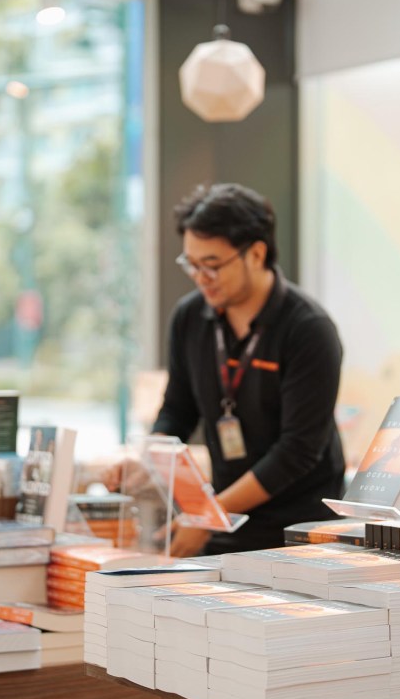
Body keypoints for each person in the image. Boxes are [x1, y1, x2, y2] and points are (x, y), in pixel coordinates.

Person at [127, 183, 345, 556]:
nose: (199, 277)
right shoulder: (190, 318)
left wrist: (209, 515)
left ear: (256, 254)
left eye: (211, 265)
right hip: (226, 516)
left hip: (301, 530)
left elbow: (298, 451)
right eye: (191, 264)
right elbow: (177, 412)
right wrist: (149, 459)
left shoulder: (309, 329)